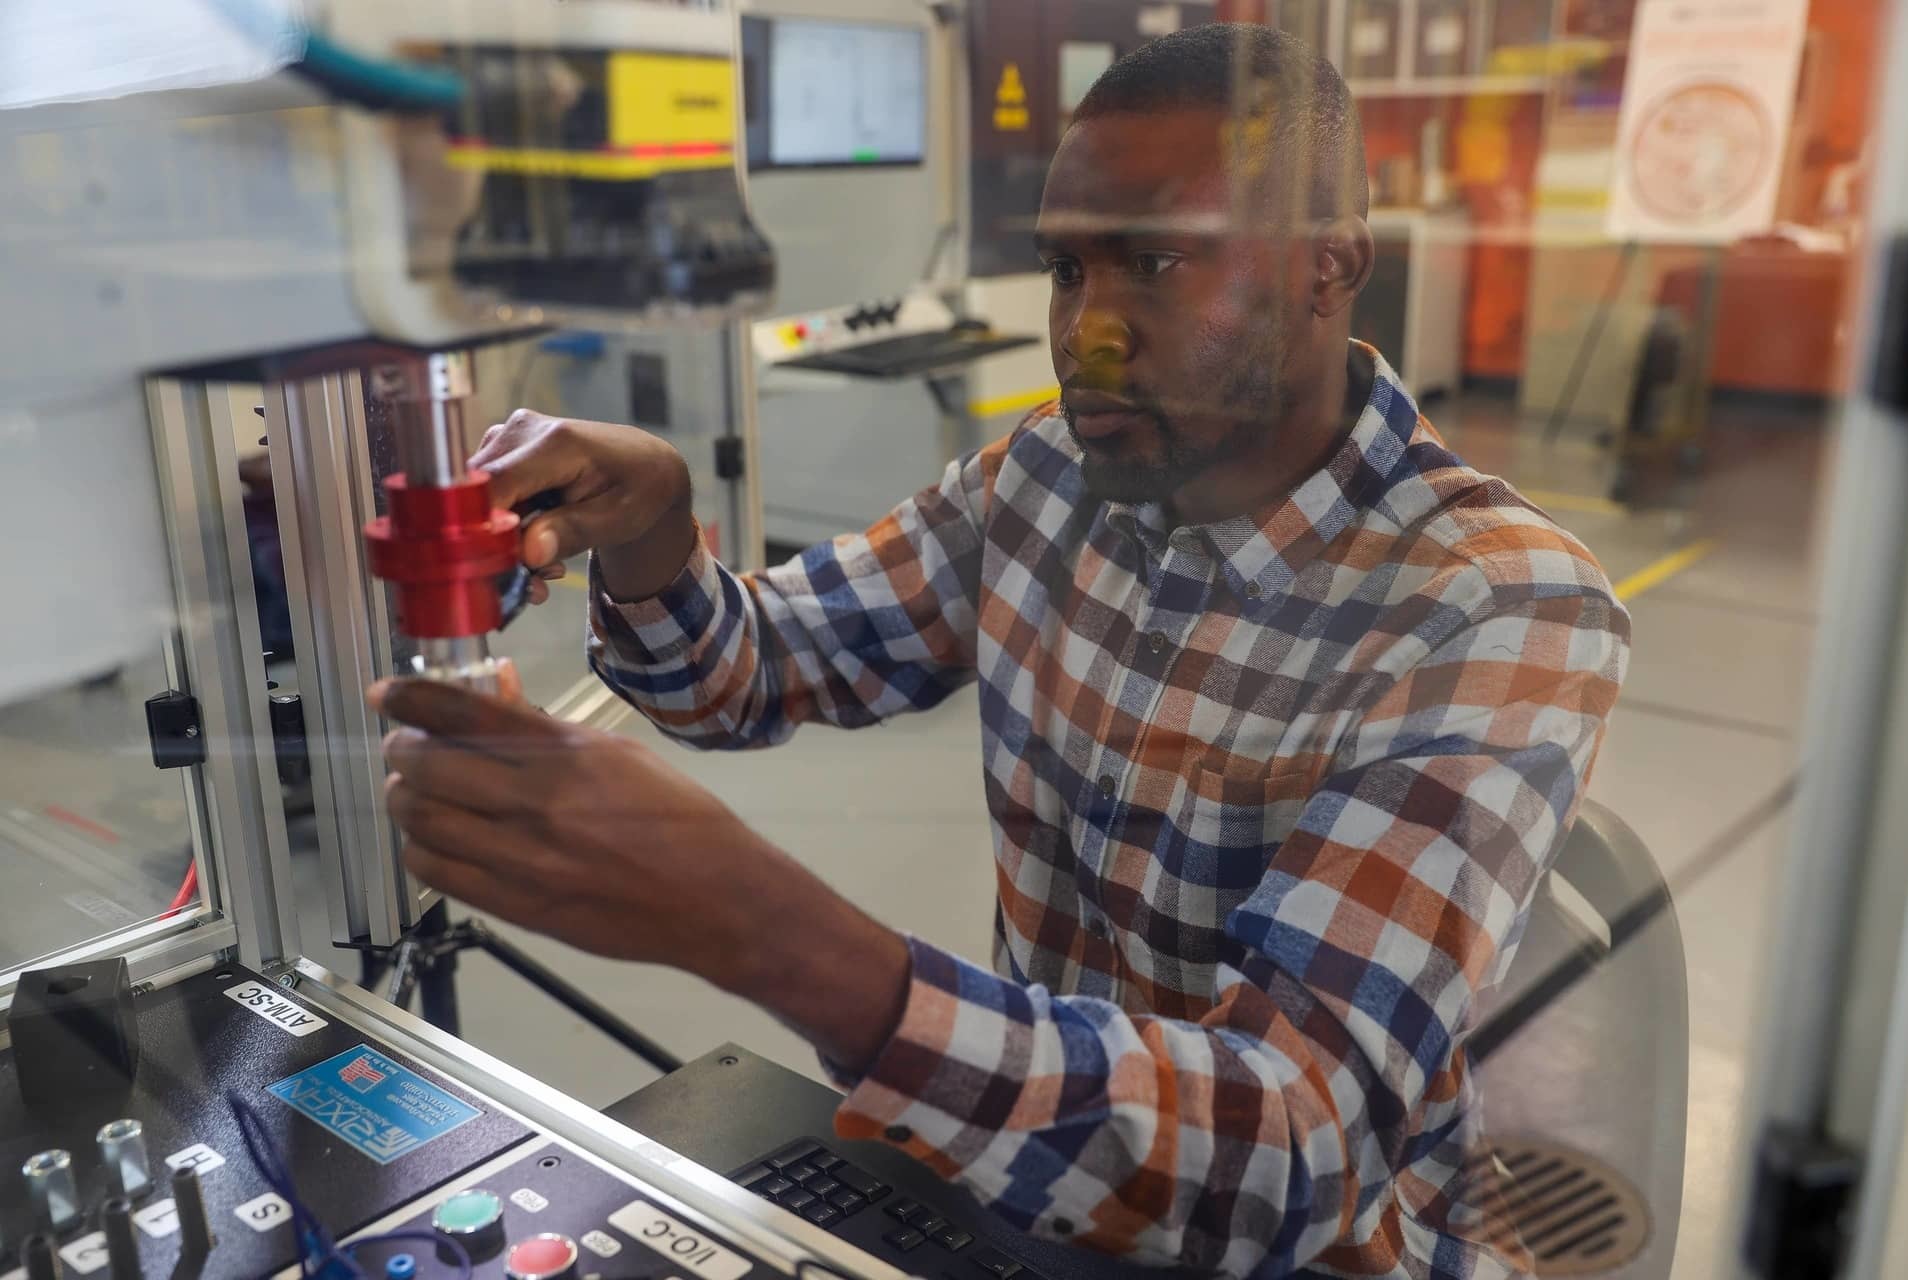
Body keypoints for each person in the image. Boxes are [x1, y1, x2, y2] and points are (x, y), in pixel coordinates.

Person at [372, 24, 1629, 1278]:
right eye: (1065, 271)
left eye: (1156, 263)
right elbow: (743, 671)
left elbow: (1293, 1154)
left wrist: (772, 935)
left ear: (1329, 269)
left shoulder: (1492, 607)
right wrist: (652, 529)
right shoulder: (1045, 478)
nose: (1086, 335)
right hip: (1032, 1188)